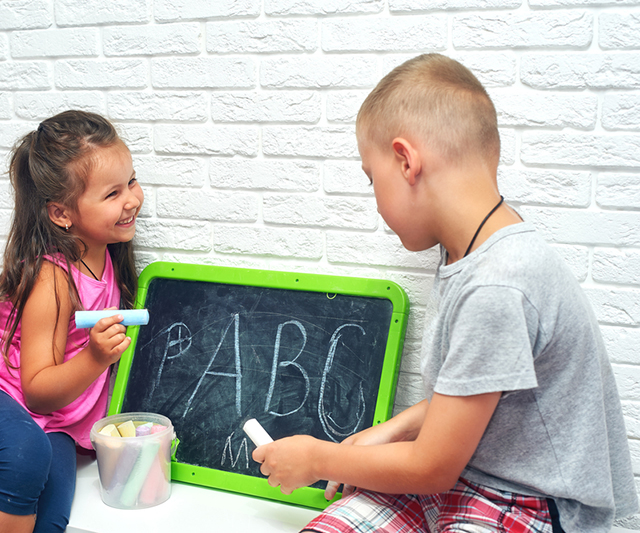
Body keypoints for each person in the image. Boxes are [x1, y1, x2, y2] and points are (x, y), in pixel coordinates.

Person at [252, 54, 638, 532]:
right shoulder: (467, 252)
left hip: (529, 502)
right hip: (461, 479)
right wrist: (393, 429)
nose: (375, 202)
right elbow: (470, 392)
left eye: (373, 180)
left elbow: (432, 467)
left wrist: (318, 458)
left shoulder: (499, 284)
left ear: (406, 161)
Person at [0, 110, 144, 533]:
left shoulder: (110, 261)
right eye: (112, 194)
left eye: (132, 182)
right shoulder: (52, 277)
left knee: (52, 514)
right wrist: (96, 357)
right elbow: (37, 393)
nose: (132, 200)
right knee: (25, 451)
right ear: (62, 214)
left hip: (53, 427)